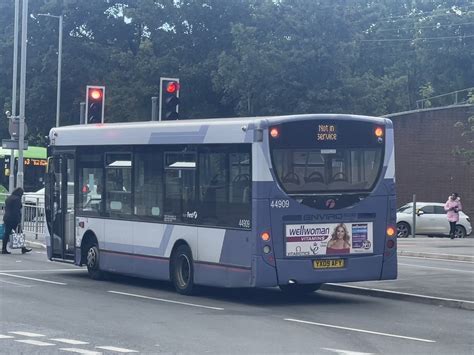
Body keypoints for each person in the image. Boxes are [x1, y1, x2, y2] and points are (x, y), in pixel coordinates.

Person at [2, 187, 32, 254]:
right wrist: (18, 221)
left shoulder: (9, 198)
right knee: (20, 233)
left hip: (7, 218)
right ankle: (23, 248)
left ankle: (4, 249)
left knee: (6, 233)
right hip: (14, 219)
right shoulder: (17, 199)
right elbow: (16, 210)